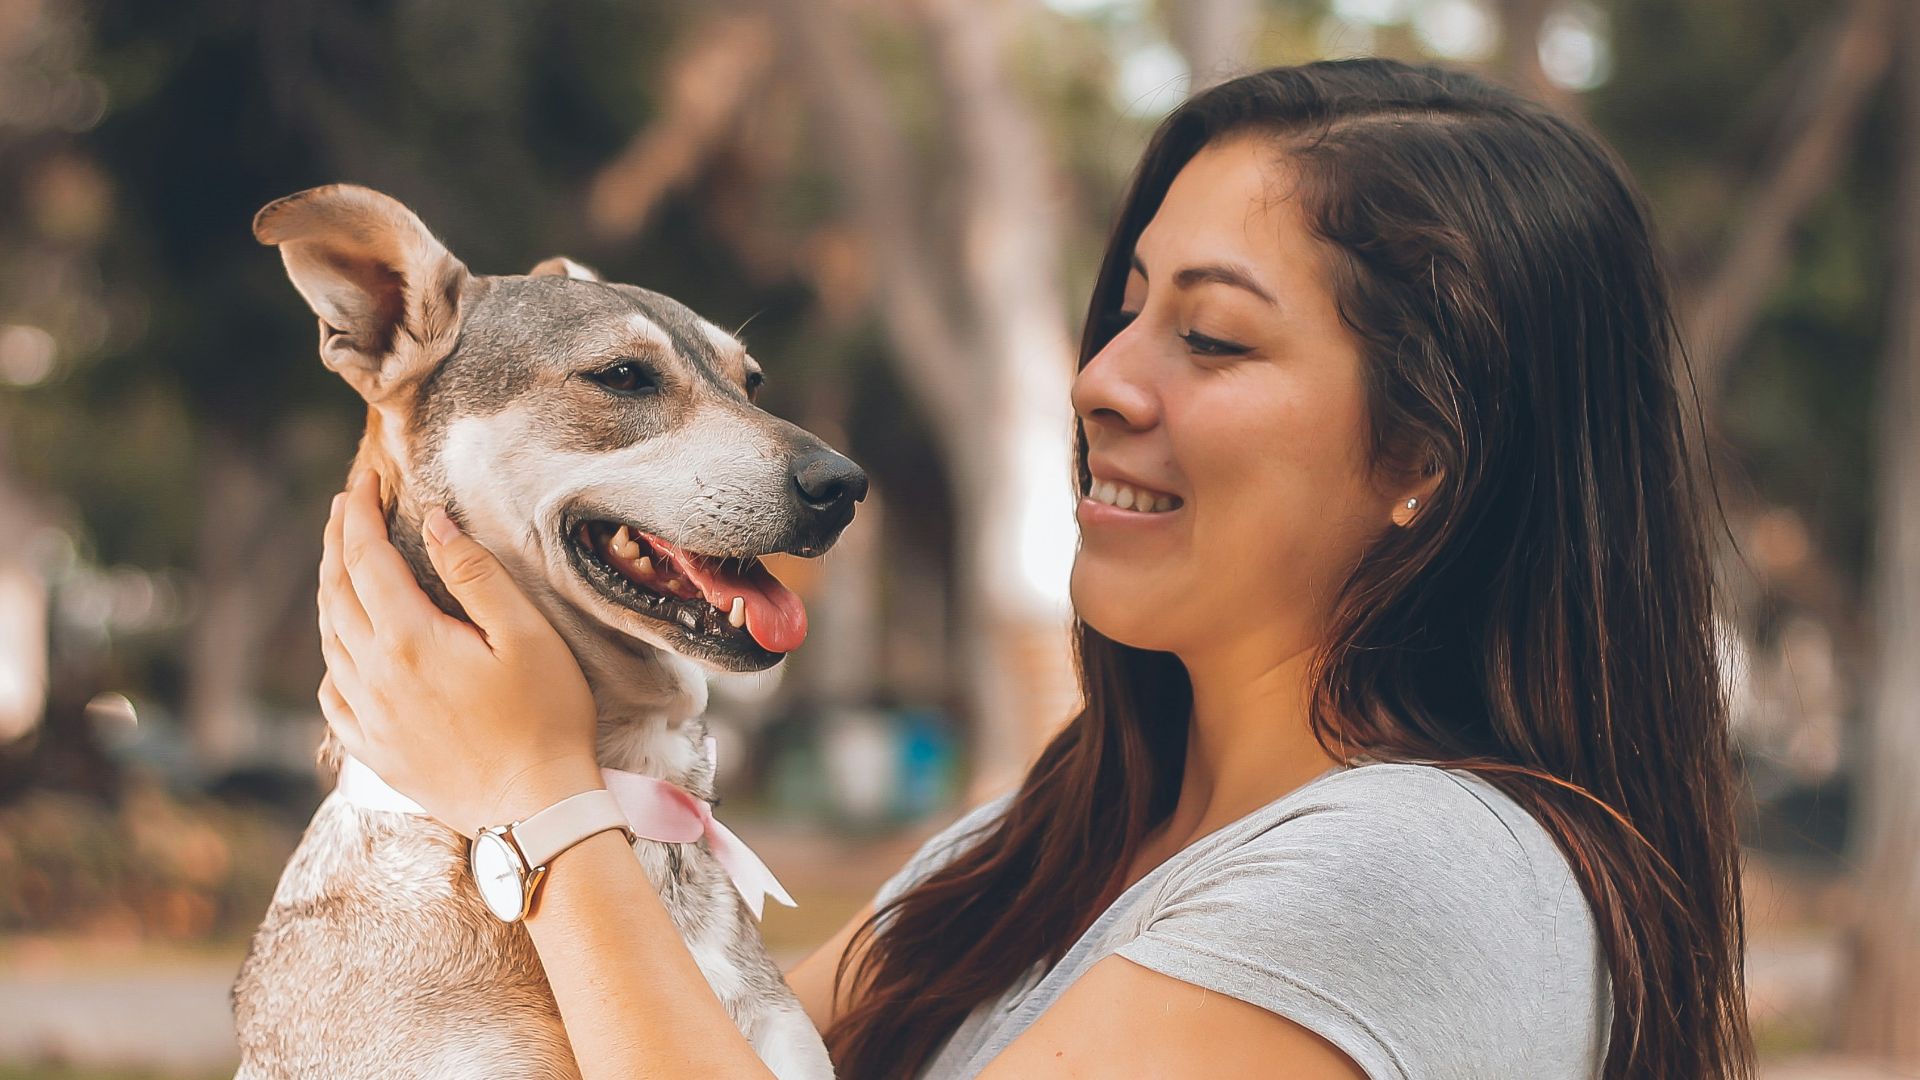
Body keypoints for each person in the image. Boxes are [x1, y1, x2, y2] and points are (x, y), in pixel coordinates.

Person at [315, 58, 1753, 1079]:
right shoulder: (1025, 854)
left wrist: (539, 804)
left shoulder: (1418, 875)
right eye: (1124, 311)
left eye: (1214, 336)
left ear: (1425, 460)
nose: (1101, 381)